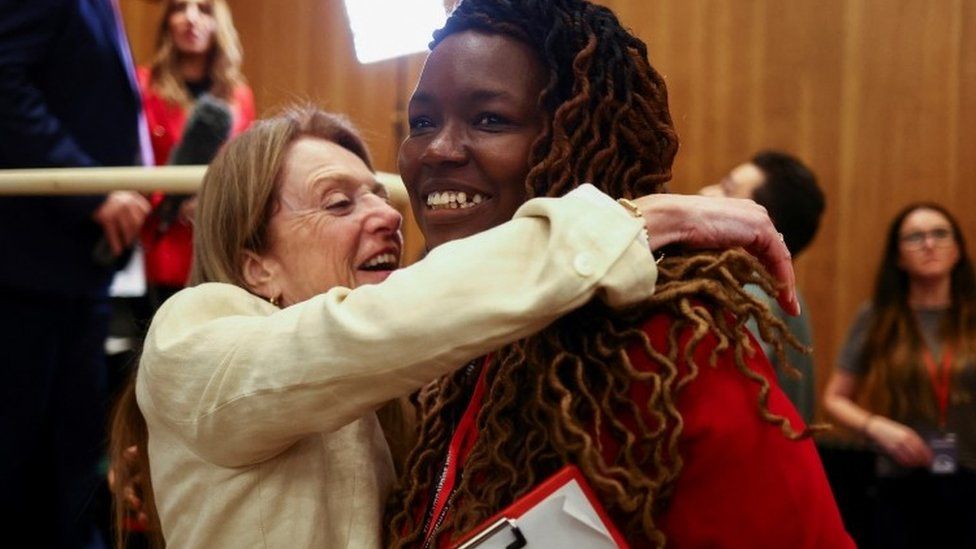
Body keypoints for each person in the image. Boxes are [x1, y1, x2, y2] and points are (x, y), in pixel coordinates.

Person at [114, 104, 795, 548]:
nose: (385, 217)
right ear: (255, 265)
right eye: (339, 203)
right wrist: (633, 222)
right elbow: (367, 330)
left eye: (381, 196)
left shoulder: (404, 398)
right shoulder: (192, 326)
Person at [385, 1, 851, 547]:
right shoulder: (460, 346)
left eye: (490, 119)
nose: (437, 148)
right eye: (421, 122)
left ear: (574, 141)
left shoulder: (666, 345)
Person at [0, 0, 152, 546]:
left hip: (72, 270)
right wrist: (91, 189)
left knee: (67, 464)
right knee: (23, 463)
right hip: (29, 269)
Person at [823, 203, 976, 548]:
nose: (929, 244)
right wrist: (876, 427)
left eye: (940, 233)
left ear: (958, 250)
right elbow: (834, 398)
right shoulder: (878, 317)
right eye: (915, 237)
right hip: (900, 483)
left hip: (970, 477)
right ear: (898, 258)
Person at [139, 0, 255, 307]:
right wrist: (171, 200)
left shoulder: (239, 96)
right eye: (179, 8)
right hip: (159, 243)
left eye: (203, 9)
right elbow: (132, 159)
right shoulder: (143, 85)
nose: (190, 18)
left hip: (216, 242)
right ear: (166, 22)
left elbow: (244, 167)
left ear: (219, 23)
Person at [700, 150, 825, 422]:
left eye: (726, 189)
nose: (705, 193)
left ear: (762, 224)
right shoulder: (781, 291)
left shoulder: (747, 295)